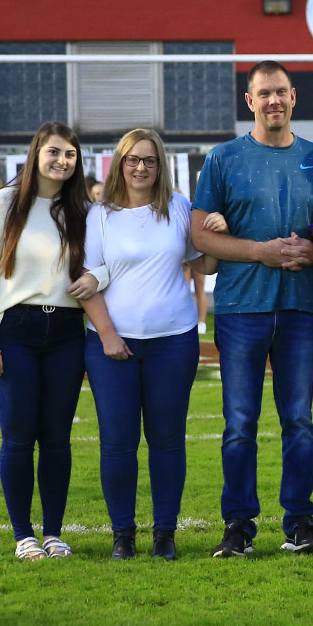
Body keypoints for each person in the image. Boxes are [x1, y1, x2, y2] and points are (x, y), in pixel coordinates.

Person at [191, 60, 313, 557]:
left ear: (294, 97)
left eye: (281, 92)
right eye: (264, 93)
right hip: (240, 308)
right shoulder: (223, 159)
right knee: (240, 422)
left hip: (299, 308)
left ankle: (300, 523)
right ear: (249, 101)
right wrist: (260, 252)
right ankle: (238, 526)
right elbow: (198, 234)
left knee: (298, 420)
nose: (273, 101)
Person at [68, 128, 219, 561]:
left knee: (168, 440)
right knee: (117, 441)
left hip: (173, 340)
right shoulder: (99, 214)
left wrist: (216, 229)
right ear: (119, 163)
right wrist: (110, 335)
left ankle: (165, 535)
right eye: (132, 159)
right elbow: (89, 281)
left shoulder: (178, 207)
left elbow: (203, 262)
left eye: (149, 160)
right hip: (111, 345)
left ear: (161, 165)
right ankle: (123, 535)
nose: (140, 167)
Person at [0, 121, 89, 560]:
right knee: (18, 436)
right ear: (37, 153)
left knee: (56, 437)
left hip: (66, 336)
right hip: (14, 332)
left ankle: (54, 534)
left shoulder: (83, 209)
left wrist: (99, 277)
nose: (61, 161)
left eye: (70, 155)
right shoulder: (2, 204)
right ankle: (24, 537)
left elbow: (104, 265)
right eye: (54, 152)